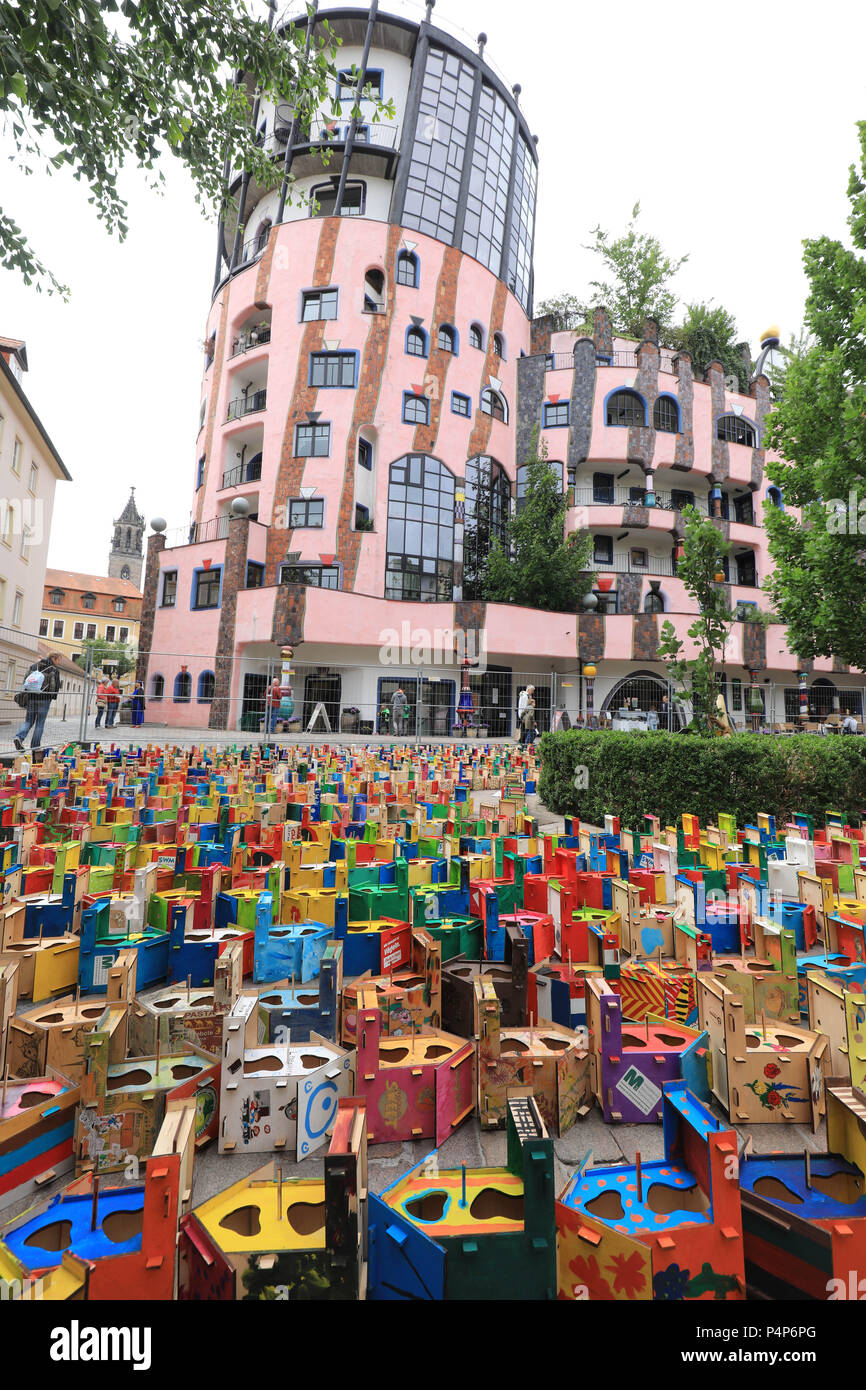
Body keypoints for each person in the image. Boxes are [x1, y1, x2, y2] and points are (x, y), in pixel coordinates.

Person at [13, 652, 61, 751]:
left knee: (28, 721)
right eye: (58, 660)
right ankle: (35, 747)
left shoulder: (34, 666)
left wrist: (26, 694)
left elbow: (25, 681)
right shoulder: (53, 670)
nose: (59, 662)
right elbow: (54, 686)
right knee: (40, 723)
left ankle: (19, 737)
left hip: (31, 698)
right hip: (44, 699)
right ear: (53, 658)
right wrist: (52, 697)